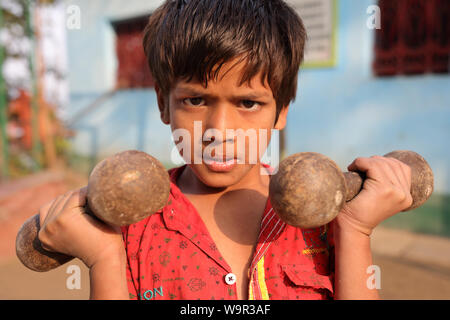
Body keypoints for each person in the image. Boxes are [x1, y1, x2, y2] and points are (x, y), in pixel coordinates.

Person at [37, 0, 413, 300]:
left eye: (248, 103)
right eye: (196, 100)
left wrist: (355, 230)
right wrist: (103, 259)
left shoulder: (321, 220)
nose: (219, 131)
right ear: (164, 105)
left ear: (280, 110)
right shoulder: (131, 227)